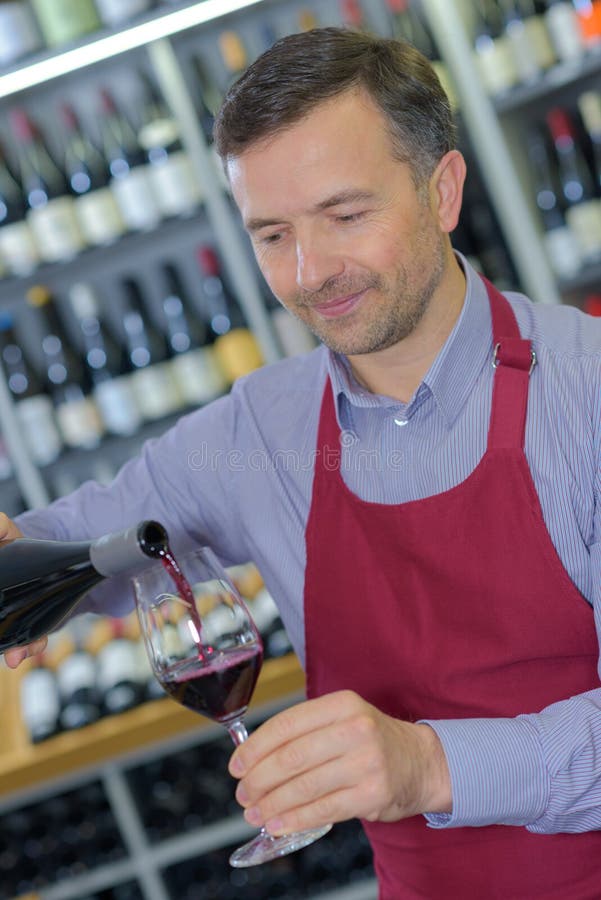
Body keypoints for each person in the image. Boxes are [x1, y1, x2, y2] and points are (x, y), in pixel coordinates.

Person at [3, 26, 601, 898]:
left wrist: (428, 765)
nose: (311, 271)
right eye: (272, 234)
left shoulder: (583, 392)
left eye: (345, 215)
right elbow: (80, 546)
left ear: (442, 190)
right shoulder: (260, 430)